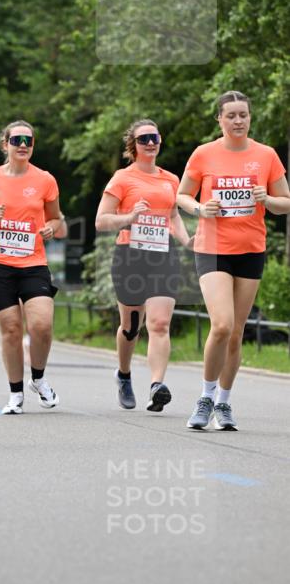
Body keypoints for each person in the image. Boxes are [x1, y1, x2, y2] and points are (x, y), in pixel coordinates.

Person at [177, 91, 290, 430]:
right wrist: (200, 208)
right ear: (220, 119)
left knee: (237, 332)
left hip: (250, 249)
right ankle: (205, 398)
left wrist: (267, 199)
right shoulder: (204, 153)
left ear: (250, 118)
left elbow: (285, 202)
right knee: (222, 325)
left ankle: (224, 403)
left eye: (243, 115)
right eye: (231, 115)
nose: (238, 121)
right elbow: (182, 195)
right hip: (213, 248)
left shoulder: (266, 155)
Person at [95, 119, 194, 411]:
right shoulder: (122, 178)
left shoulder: (171, 179)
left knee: (160, 323)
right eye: (143, 139)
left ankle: (156, 386)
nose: (150, 143)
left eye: (154, 137)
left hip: (162, 255)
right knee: (131, 327)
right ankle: (124, 375)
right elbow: (101, 221)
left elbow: (173, 216)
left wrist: (187, 240)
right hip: (130, 256)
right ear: (134, 145)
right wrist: (129, 218)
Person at [0, 120, 62, 415]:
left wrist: (50, 228)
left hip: (33, 263)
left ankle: (38, 378)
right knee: (11, 329)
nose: (23, 145)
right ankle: (15, 394)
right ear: (5, 144)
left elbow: (56, 218)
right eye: (16, 140)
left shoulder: (45, 180)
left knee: (41, 326)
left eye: (28, 141)